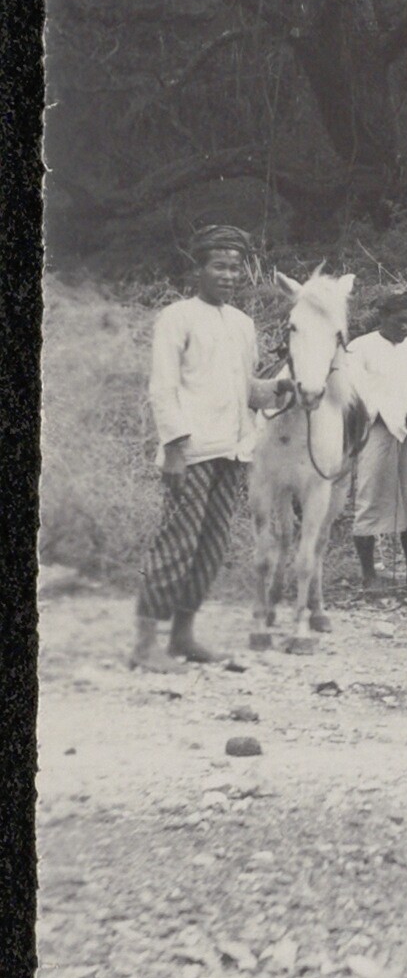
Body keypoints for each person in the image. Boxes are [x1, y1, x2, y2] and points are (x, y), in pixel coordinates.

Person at [133, 223, 285, 671]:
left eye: (235, 268)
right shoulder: (177, 317)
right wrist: (174, 449)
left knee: (211, 548)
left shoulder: (242, 324)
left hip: (233, 452)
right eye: (219, 266)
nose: (229, 275)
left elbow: (247, 390)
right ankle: (145, 645)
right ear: (198, 270)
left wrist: (282, 389)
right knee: (176, 544)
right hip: (191, 451)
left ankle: (182, 637)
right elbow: (163, 387)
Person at [347, 288, 407, 598]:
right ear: (383, 317)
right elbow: (355, 391)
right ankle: (369, 576)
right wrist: (383, 415)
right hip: (375, 428)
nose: (405, 327)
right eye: (399, 320)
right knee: (370, 495)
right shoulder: (360, 347)